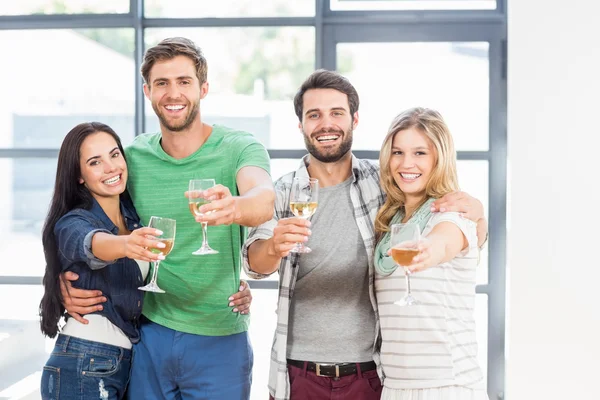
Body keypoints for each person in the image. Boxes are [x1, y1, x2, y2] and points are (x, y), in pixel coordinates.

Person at [242, 70, 488, 400]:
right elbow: (254, 264)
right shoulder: (283, 192)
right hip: (299, 373)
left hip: (371, 375)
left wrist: (477, 212)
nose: (325, 124)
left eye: (337, 113)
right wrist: (273, 246)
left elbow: (449, 229)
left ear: (354, 120)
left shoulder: (384, 185)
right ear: (300, 124)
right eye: (314, 115)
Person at [60, 37, 275, 399]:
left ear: (203, 88)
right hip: (147, 334)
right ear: (147, 90)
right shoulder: (130, 159)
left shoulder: (239, 147)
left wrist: (235, 206)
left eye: (184, 81)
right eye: (162, 83)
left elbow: (263, 198)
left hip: (220, 337)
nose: (173, 93)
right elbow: (76, 220)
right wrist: (60, 285)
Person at [39, 122, 166, 399]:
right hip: (84, 361)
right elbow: (92, 243)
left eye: (115, 154)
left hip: (122, 362)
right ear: (79, 176)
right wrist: (126, 244)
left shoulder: (133, 217)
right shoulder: (73, 221)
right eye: (95, 162)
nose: (111, 167)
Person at [373, 107, 488, 400]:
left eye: (420, 153)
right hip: (395, 386)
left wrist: (429, 250)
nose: (406, 163)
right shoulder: (391, 226)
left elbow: (445, 241)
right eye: (397, 152)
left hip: (447, 387)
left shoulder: (453, 214)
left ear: (440, 157)